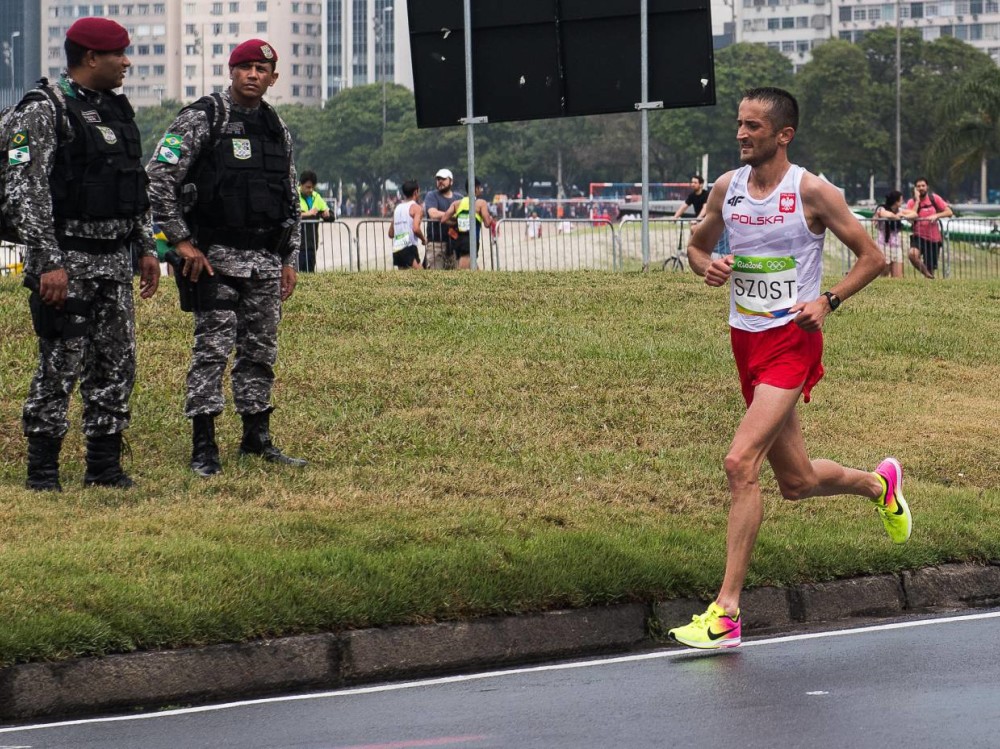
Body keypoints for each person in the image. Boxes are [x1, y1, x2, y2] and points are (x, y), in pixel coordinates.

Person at [668, 87, 912, 650]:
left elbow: (874, 257)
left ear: (783, 135)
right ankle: (880, 485)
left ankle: (726, 613)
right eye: (738, 124)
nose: (740, 134)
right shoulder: (728, 190)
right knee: (796, 482)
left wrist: (828, 301)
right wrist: (708, 265)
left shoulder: (811, 192)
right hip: (745, 344)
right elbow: (697, 245)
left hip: (792, 344)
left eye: (752, 126)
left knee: (739, 462)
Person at [7, 17, 160, 491]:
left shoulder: (116, 109)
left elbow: (132, 184)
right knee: (59, 365)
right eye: (120, 54)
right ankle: (43, 471)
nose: (127, 62)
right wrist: (48, 261)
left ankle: (104, 467)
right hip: (66, 262)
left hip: (115, 261)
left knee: (117, 364)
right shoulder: (44, 109)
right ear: (91, 57)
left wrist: (146, 245)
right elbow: (25, 190)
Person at [146, 38, 306, 477]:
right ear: (231, 71)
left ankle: (257, 438)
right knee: (212, 352)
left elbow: (289, 199)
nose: (254, 75)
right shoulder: (203, 118)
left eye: (262, 69)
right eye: (246, 67)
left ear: (274, 78)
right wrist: (180, 242)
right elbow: (158, 178)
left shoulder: (276, 128)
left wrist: (289, 259)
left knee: (259, 352)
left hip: (265, 262)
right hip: (213, 259)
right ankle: (204, 446)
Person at [903, 178, 952, 279]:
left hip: (934, 238)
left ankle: (929, 279)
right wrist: (917, 201)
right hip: (918, 236)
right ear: (915, 188)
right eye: (918, 186)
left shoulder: (934, 198)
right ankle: (926, 273)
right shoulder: (911, 202)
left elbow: (949, 212)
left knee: (931, 267)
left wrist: (937, 215)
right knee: (912, 254)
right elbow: (911, 218)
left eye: (923, 185)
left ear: (927, 187)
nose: (921, 188)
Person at [441, 178, 493, 270]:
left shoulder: (457, 203)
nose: (480, 190)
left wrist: (455, 222)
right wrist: (490, 219)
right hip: (471, 239)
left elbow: (444, 219)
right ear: (476, 188)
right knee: (463, 268)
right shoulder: (481, 203)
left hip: (459, 239)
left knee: (472, 265)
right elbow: (487, 224)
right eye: (480, 188)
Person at [422, 168, 462, 270]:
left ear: (451, 181)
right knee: (435, 277)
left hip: (455, 243)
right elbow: (433, 213)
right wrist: (452, 217)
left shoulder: (459, 198)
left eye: (443, 179)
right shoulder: (431, 195)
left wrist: (444, 217)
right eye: (438, 179)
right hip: (436, 243)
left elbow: (464, 216)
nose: (440, 181)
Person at [388, 180, 426, 270]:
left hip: (397, 247)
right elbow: (416, 229)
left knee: (404, 280)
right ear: (416, 192)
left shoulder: (397, 208)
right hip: (408, 246)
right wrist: (423, 239)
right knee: (422, 277)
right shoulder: (416, 208)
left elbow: (390, 234)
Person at [297, 170, 330, 272]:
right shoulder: (294, 195)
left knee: (310, 273)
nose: (310, 190)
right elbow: (290, 215)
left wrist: (326, 214)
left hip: (312, 244)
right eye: (307, 187)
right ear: (301, 185)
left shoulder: (316, 196)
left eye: (312, 187)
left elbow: (329, 213)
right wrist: (308, 214)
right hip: (297, 245)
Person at [874, 190, 905, 279]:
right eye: (901, 200)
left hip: (896, 245)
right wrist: (896, 216)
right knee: (884, 273)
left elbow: (913, 213)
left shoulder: (900, 210)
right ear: (896, 201)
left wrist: (902, 214)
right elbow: (883, 214)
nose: (902, 202)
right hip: (883, 244)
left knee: (898, 276)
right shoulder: (882, 208)